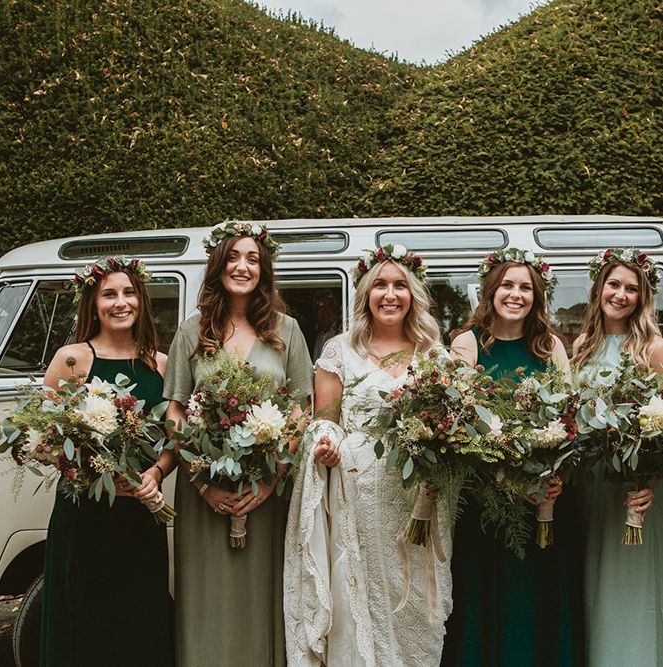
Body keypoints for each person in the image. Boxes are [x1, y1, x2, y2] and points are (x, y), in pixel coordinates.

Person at [285, 245, 453, 666]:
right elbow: (325, 418)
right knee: (359, 595)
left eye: (400, 285)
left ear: (413, 294)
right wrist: (324, 443)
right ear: (366, 294)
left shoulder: (435, 355)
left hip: (419, 497)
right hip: (355, 495)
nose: (390, 294)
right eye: (380, 284)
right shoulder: (339, 352)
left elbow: (453, 425)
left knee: (413, 599)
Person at [161, 221, 313, 666]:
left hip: (267, 492)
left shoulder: (288, 330)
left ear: (264, 270)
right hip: (203, 491)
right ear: (218, 265)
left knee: (264, 597)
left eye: (252, 259)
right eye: (233, 257)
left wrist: (271, 480)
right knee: (207, 598)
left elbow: (300, 412)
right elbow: (176, 410)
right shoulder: (193, 330)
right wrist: (202, 482)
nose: (242, 266)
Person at [442, 248, 582, 667]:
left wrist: (558, 475)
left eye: (525, 287)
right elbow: (458, 422)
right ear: (491, 290)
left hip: (543, 499)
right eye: (507, 285)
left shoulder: (550, 346)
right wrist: (506, 479)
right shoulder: (466, 344)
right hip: (488, 502)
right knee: (485, 601)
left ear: (537, 297)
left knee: (536, 603)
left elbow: (568, 416)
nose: (515, 294)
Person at [39, 256, 172, 667]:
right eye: (109, 294)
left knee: (139, 616)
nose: (121, 302)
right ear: (93, 304)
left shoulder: (160, 364)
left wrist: (155, 473)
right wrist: (91, 470)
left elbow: (175, 441)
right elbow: (45, 441)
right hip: (85, 516)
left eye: (129, 293)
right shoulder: (72, 359)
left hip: (137, 516)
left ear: (141, 301)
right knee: (85, 620)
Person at [572, 248, 663, 667]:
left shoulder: (653, 348)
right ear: (600, 288)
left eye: (631, 288)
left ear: (643, 297)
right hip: (588, 485)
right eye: (614, 285)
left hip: (634, 488)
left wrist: (652, 482)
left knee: (627, 583)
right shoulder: (582, 346)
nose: (621, 295)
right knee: (589, 579)